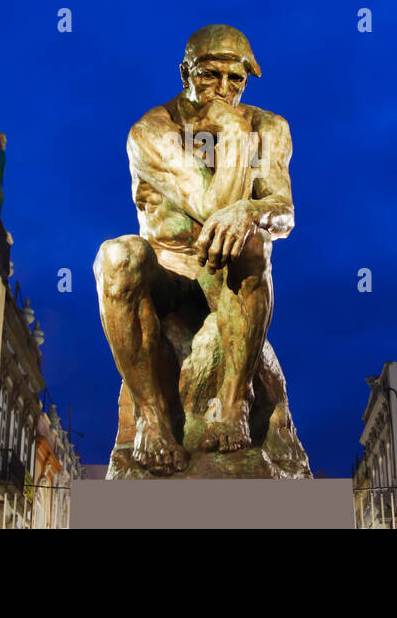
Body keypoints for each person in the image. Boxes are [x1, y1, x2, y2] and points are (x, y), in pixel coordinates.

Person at [94, 24, 295, 475]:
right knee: (116, 257)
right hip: (167, 273)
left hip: (224, 272)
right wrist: (234, 134)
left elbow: (283, 210)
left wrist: (251, 213)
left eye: (235, 80)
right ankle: (152, 418)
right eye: (209, 75)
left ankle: (233, 400)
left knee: (253, 241)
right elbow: (212, 206)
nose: (223, 90)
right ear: (185, 72)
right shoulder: (153, 130)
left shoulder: (271, 127)